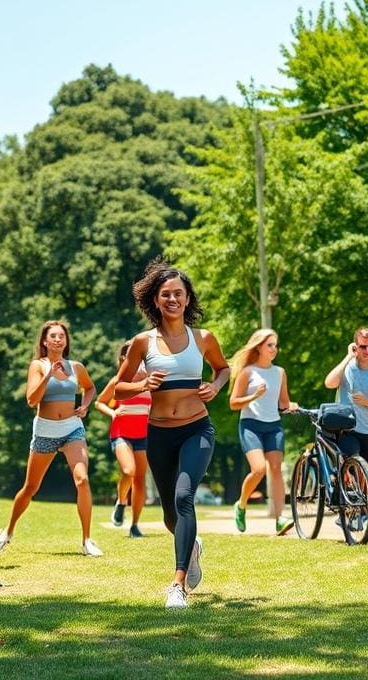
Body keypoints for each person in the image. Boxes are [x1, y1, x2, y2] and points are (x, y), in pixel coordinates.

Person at [113, 258, 229, 609]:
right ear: (156, 301)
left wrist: (216, 386)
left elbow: (224, 368)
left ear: (188, 299)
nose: (173, 299)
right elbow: (117, 389)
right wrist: (141, 384)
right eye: (166, 294)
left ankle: (177, 584)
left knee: (183, 498)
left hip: (197, 429)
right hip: (159, 434)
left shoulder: (204, 338)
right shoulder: (142, 343)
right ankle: (192, 547)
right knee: (169, 515)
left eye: (178, 293)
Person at [0, 320, 101, 557]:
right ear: (44, 341)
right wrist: (49, 373)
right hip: (45, 431)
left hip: (72, 429)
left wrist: (85, 406)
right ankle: (7, 532)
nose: (58, 340)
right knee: (30, 487)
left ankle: (87, 540)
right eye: (53, 336)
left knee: (82, 479)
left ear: (66, 341)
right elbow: (31, 399)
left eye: (62, 336)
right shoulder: (37, 366)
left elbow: (89, 388)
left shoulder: (76, 367)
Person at [228, 329, 297, 534]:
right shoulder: (248, 372)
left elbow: (283, 403)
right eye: (270, 345)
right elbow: (233, 403)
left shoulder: (280, 372)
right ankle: (241, 505)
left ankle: (280, 519)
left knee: (275, 469)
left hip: (273, 425)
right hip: (251, 425)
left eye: (275, 345)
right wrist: (253, 396)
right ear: (258, 347)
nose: (274, 349)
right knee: (258, 470)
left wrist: (291, 406)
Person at [95, 341, 151, 538]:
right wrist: (112, 412)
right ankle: (121, 502)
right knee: (128, 471)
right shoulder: (119, 381)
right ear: (123, 359)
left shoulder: (151, 381)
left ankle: (135, 524)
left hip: (144, 435)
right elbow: (99, 402)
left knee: (140, 481)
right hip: (121, 433)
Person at [323, 327, 368, 468]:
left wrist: (367, 402)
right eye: (363, 347)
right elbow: (329, 383)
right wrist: (348, 357)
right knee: (349, 468)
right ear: (355, 347)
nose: (367, 351)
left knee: (363, 481)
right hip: (348, 430)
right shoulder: (346, 368)